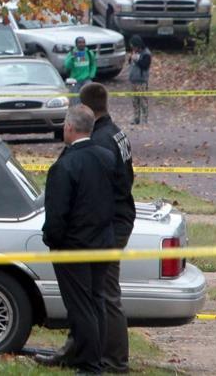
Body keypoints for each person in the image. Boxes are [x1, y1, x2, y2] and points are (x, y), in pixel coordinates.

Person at [37, 105, 117, 373]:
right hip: (103, 242)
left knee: (81, 307)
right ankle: (94, 356)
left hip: (74, 246)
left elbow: (57, 212)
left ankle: (89, 363)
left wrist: (52, 240)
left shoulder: (66, 165)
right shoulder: (107, 158)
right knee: (96, 302)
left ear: (70, 128)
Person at [78, 82, 136, 373]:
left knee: (107, 292)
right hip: (120, 217)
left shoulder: (101, 141)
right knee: (91, 291)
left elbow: (99, 191)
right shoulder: (117, 132)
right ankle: (80, 349)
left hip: (111, 224)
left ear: (86, 108)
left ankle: (115, 359)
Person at [128, 36, 152, 125]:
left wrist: (137, 59)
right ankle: (136, 118)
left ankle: (145, 119)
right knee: (135, 101)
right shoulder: (134, 52)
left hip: (141, 81)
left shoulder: (146, 54)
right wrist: (131, 58)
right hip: (133, 80)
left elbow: (145, 65)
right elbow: (130, 63)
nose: (132, 48)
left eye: (133, 46)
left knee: (143, 101)